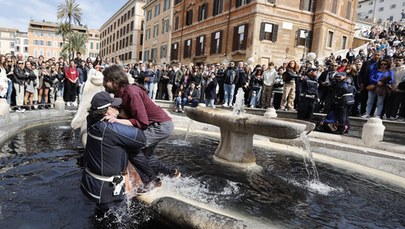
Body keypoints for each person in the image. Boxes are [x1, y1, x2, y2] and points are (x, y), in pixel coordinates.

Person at [102, 65, 180, 185]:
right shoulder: (120, 93)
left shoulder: (132, 93)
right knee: (145, 157)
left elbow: (142, 122)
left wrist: (116, 120)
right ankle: (171, 173)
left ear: (114, 80)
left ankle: (153, 181)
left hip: (160, 126)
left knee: (132, 149)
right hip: (156, 125)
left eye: (105, 80)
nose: (103, 83)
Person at [80, 91, 147, 225]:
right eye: (114, 107)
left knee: (100, 220)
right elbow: (141, 139)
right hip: (108, 190)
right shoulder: (110, 129)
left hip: (92, 184)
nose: (118, 108)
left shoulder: (91, 120)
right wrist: (120, 122)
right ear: (106, 112)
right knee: (119, 222)